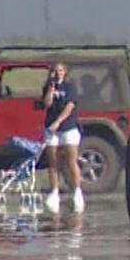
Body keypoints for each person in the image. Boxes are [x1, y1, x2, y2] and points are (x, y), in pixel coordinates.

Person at [42, 62, 84, 215]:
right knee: (53, 163)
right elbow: (46, 103)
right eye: (55, 70)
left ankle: (77, 191)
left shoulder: (70, 87)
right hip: (51, 129)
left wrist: (58, 122)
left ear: (65, 72)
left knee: (71, 160)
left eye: (60, 70)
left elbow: (70, 106)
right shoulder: (49, 87)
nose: (58, 73)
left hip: (68, 127)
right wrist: (51, 90)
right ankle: (54, 193)